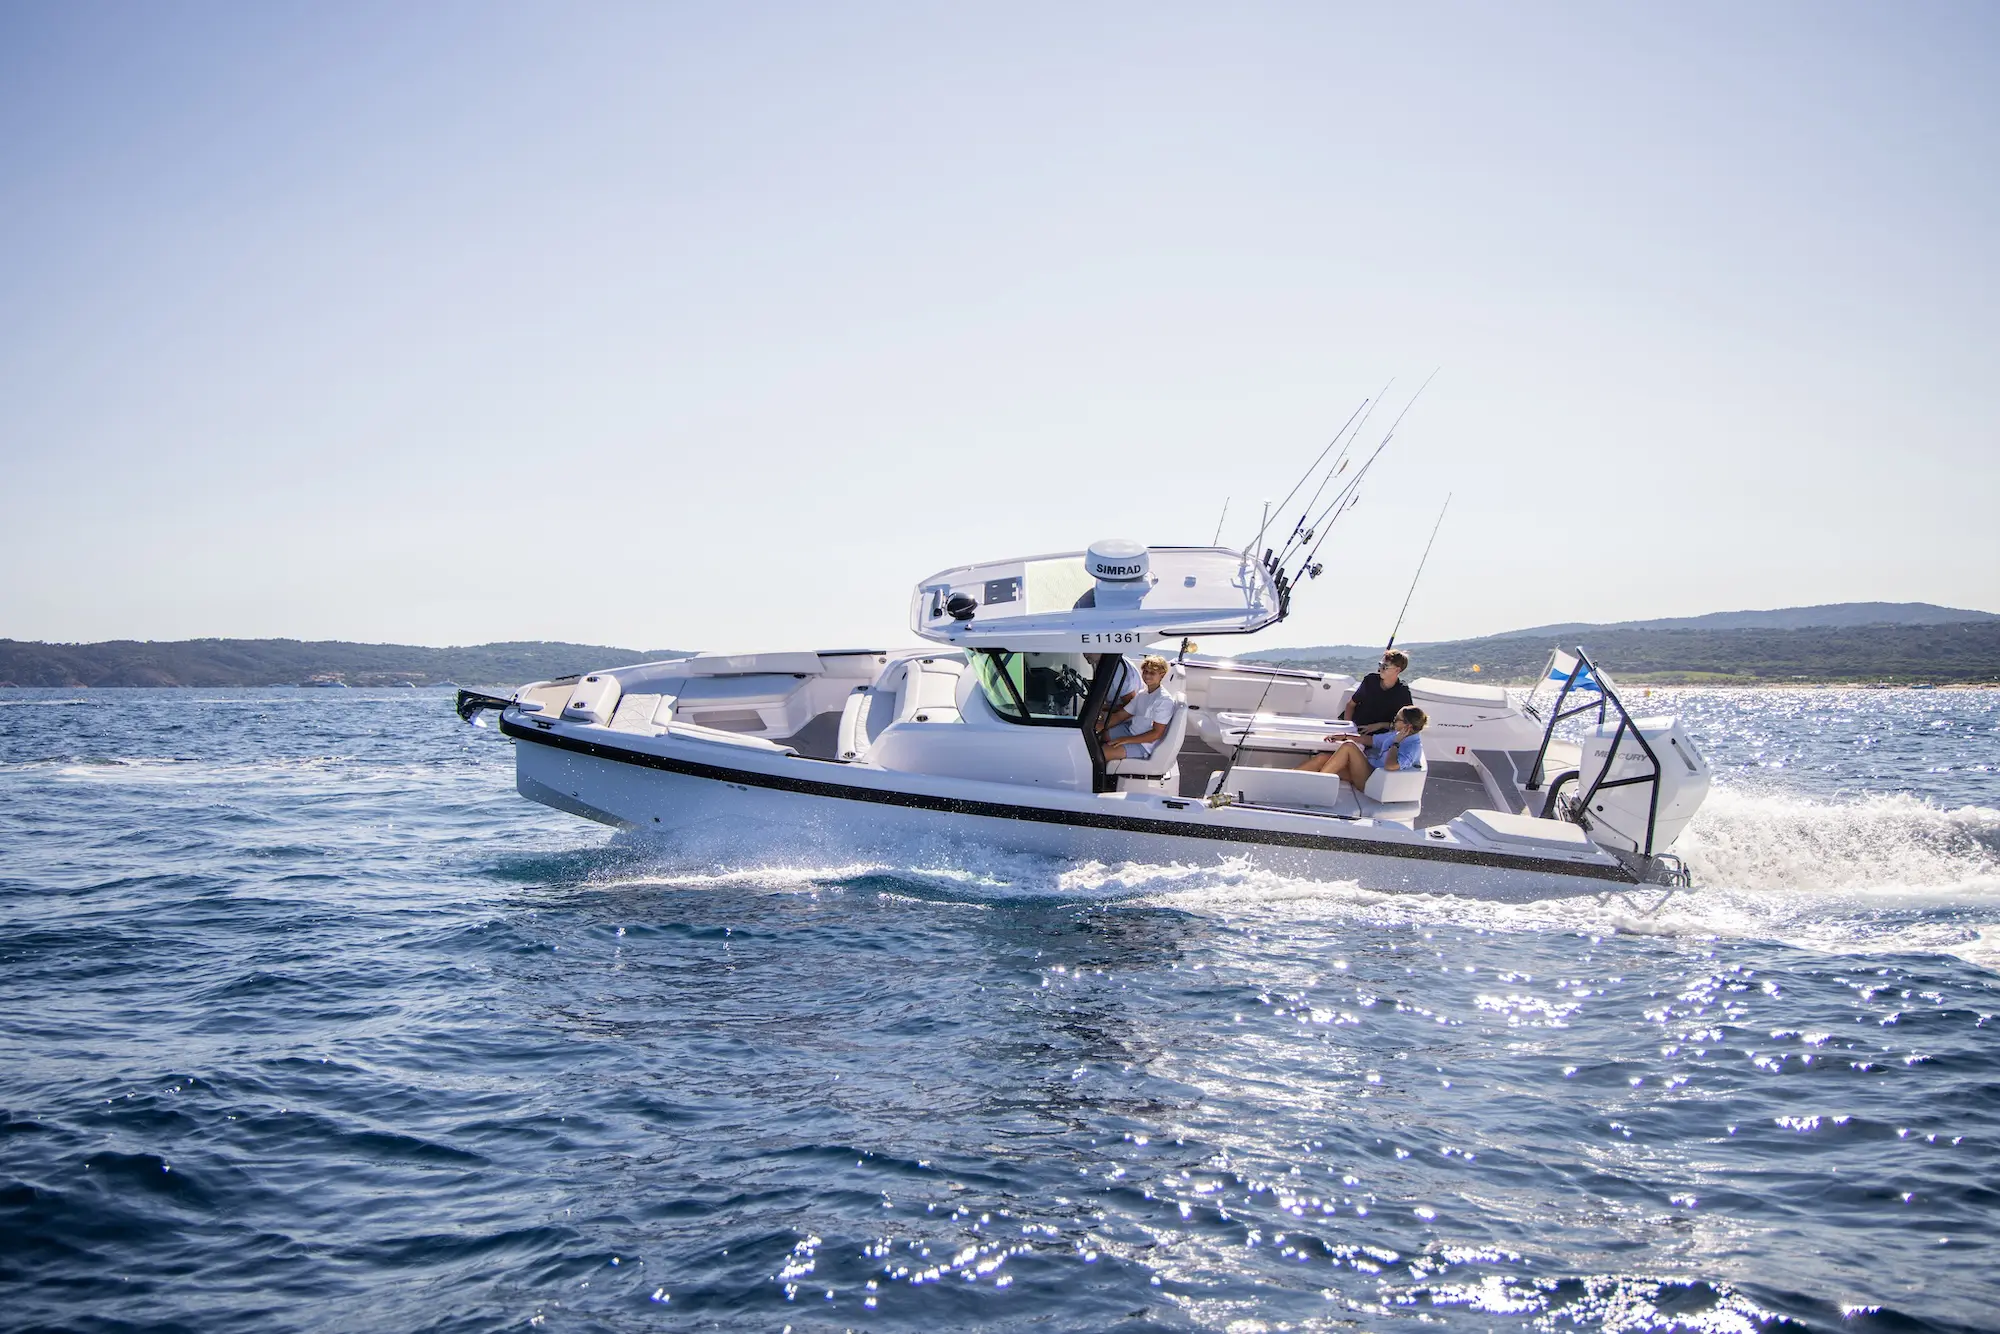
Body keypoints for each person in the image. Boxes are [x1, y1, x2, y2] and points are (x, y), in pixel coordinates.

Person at [1296, 705, 1427, 788]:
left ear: (1408, 726)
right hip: (1368, 771)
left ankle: (1315, 786)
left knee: (1349, 747)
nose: (1394, 721)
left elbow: (1391, 766)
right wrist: (1345, 735)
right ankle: (1288, 780)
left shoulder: (1412, 747)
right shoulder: (1397, 734)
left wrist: (1396, 744)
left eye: (1397, 719)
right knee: (1321, 759)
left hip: (1374, 782)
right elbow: (1371, 740)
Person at [1100, 655, 1176, 763]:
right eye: (1145, 671)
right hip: (1130, 731)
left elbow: (1156, 734)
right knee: (1097, 736)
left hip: (1144, 745)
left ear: (1162, 675)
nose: (1147, 676)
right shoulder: (1142, 694)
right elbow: (1121, 715)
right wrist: (1099, 726)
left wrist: (1125, 740)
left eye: (1152, 673)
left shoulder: (1163, 700)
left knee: (1100, 753)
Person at [1344, 648, 1412, 735]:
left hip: (1381, 736)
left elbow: (1407, 722)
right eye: (1380, 665)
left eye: (1385, 667)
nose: (1380, 669)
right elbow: (1351, 705)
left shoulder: (1402, 691)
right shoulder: (1370, 681)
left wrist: (1380, 725)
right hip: (1357, 730)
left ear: (1397, 670)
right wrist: (1348, 729)